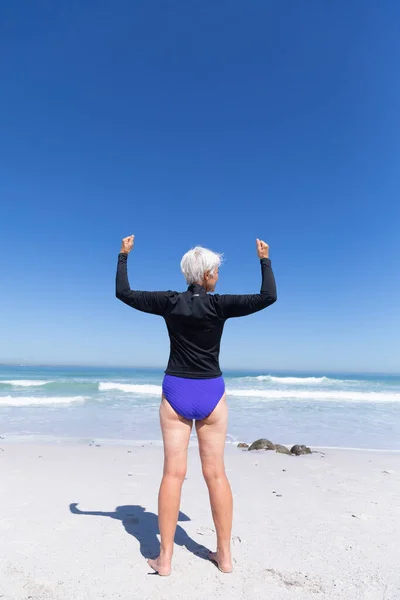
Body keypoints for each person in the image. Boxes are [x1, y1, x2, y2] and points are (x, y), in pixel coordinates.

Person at [116, 236, 277, 575]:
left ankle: (165, 560)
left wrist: (123, 256)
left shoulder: (169, 302)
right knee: (216, 474)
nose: (218, 275)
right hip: (211, 392)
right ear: (205, 275)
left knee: (173, 474)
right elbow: (268, 297)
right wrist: (264, 260)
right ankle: (225, 557)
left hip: (176, 389)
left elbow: (124, 294)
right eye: (215, 271)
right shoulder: (219, 305)